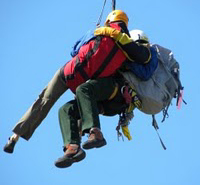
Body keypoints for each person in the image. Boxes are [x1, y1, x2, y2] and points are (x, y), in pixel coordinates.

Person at [3, 10, 151, 154]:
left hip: (68, 74)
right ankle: (78, 142)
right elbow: (144, 58)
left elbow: (74, 50)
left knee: (45, 100)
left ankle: (15, 137)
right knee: (82, 102)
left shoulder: (98, 31)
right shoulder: (128, 50)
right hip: (86, 81)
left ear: (109, 20)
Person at [54, 29, 158, 168]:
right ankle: (72, 147)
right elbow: (75, 53)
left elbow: (145, 73)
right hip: (105, 101)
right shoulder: (122, 49)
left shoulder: (148, 54)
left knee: (84, 89)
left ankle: (95, 132)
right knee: (66, 110)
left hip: (118, 92)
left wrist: (124, 59)